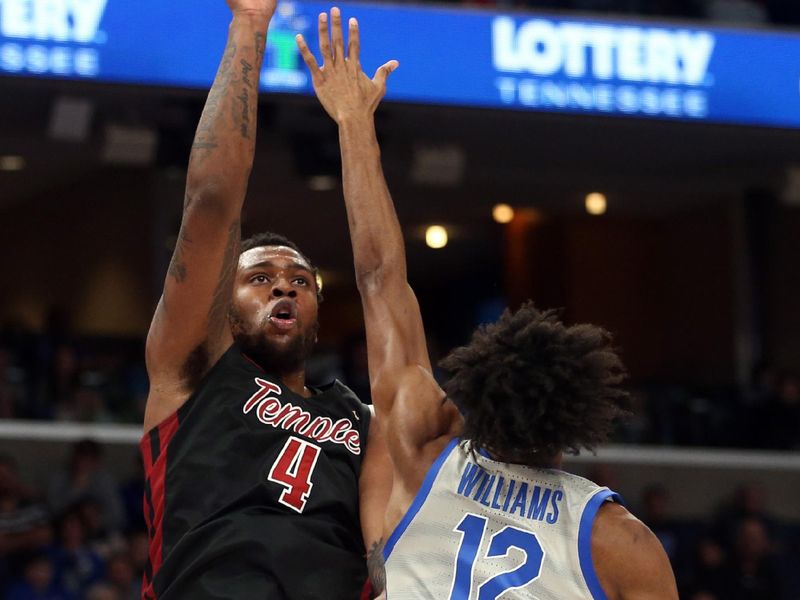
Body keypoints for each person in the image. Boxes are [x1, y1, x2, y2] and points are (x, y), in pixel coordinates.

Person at [297, 9, 679, 599]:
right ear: (579, 418)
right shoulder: (619, 541)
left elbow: (380, 278)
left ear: (474, 392)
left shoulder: (422, 453)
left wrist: (353, 124)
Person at [142, 1, 389, 598]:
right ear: (221, 308)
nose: (283, 284)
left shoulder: (362, 418)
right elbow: (211, 200)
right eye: (259, 278)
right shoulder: (196, 370)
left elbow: (385, 555)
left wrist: (357, 124)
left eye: (299, 280)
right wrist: (250, 26)